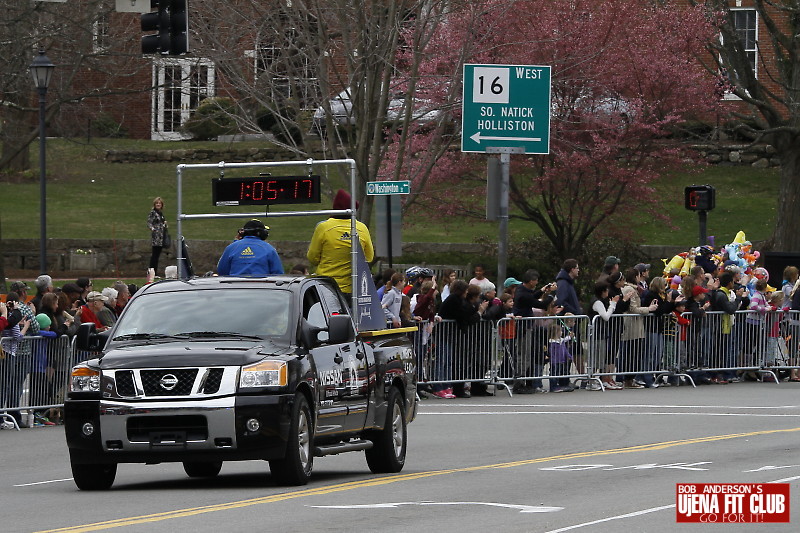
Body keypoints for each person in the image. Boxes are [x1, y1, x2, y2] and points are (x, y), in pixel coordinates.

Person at [307, 189, 374, 297]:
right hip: (353, 289)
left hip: (326, 287)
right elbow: (369, 257)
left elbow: (312, 258)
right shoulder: (362, 228)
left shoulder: (323, 227)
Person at [217, 219, 283, 276]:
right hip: (261, 288)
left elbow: (222, 271)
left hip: (236, 287)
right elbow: (278, 274)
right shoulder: (269, 249)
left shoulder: (231, 248)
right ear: (262, 233)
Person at [148, 197, 168, 274]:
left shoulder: (160, 214)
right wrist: (153, 229)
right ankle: (152, 272)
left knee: (157, 255)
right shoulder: (153, 213)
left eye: (159, 203)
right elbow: (149, 222)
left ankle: (154, 272)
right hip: (156, 237)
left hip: (161, 237)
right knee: (155, 255)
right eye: (157, 203)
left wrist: (165, 224)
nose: (158, 204)